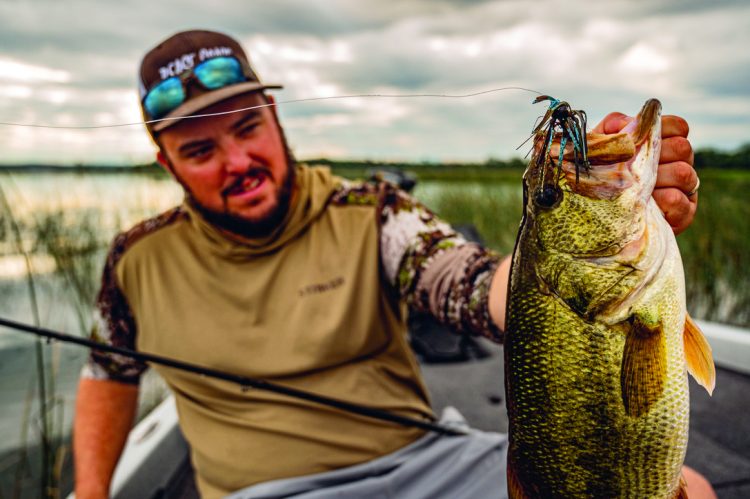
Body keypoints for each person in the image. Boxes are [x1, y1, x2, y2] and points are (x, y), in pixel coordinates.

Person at [73, 30, 713, 499]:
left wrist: (594, 254)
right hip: (261, 489)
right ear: (166, 162)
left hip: (423, 462)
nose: (237, 162)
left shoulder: (371, 211)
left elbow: (470, 283)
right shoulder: (136, 260)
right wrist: (92, 491)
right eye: (200, 149)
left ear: (274, 118)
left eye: (246, 128)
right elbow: (108, 374)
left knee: (691, 487)